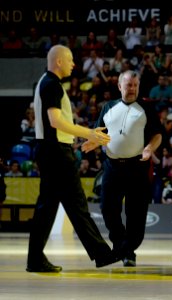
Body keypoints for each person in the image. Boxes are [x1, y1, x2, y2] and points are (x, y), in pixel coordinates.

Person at [27, 45, 118, 273]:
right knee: (76, 204)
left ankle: (35, 259)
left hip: (51, 150)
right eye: (70, 60)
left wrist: (76, 139)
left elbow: (56, 125)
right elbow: (55, 121)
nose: (73, 64)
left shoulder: (45, 82)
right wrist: (88, 132)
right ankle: (102, 254)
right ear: (59, 61)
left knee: (48, 207)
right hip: (56, 153)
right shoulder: (52, 85)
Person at [82, 70, 163, 267]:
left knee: (136, 212)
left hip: (137, 167)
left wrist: (149, 148)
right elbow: (98, 132)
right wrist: (93, 142)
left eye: (135, 85)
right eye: (128, 85)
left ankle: (129, 251)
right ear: (120, 87)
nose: (132, 89)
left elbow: (158, 135)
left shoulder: (146, 108)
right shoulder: (108, 107)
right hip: (112, 166)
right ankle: (120, 245)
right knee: (107, 208)